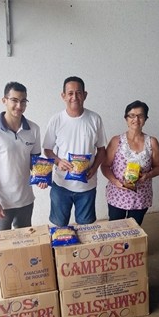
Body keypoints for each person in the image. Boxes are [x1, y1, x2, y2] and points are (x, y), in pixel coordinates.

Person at [0, 81, 46, 275]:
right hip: (2, 203)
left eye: (23, 101)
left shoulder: (33, 129)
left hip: (26, 200)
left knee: (24, 245)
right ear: (4, 101)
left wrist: (41, 176)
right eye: (14, 100)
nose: (19, 106)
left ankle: (23, 277)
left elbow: (35, 162)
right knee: (0, 248)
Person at [43, 76, 107, 226]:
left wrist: (94, 168)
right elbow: (47, 149)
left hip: (87, 186)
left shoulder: (95, 119)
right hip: (61, 185)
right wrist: (58, 161)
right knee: (59, 228)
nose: (74, 97)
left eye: (78, 93)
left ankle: (83, 251)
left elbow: (102, 150)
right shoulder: (56, 120)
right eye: (70, 93)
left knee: (86, 228)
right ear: (63, 96)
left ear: (85, 95)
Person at [101, 100, 159, 226]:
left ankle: (131, 246)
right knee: (115, 228)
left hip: (141, 196)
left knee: (134, 229)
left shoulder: (152, 142)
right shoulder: (116, 141)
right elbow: (105, 166)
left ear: (145, 119)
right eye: (132, 115)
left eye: (140, 115)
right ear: (126, 119)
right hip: (118, 194)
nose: (136, 119)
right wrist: (115, 182)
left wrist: (148, 175)